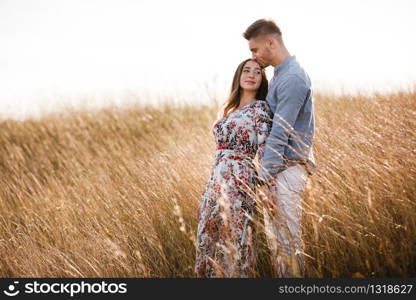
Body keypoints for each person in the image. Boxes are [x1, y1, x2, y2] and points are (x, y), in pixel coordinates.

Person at [243, 19, 316, 277]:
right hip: (276, 171)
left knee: (287, 244)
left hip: (285, 170)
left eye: (255, 50)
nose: (252, 55)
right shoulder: (280, 75)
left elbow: (280, 133)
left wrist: (262, 180)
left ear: (270, 42)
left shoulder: (293, 78)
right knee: (278, 245)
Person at [194, 58, 273, 278]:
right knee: (207, 238)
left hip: (240, 178)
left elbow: (265, 150)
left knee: (236, 237)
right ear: (238, 76)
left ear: (261, 80)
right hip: (216, 179)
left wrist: (267, 188)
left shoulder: (261, 109)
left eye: (257, 72)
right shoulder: (228, 110)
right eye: (246, 70)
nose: (251, 75)